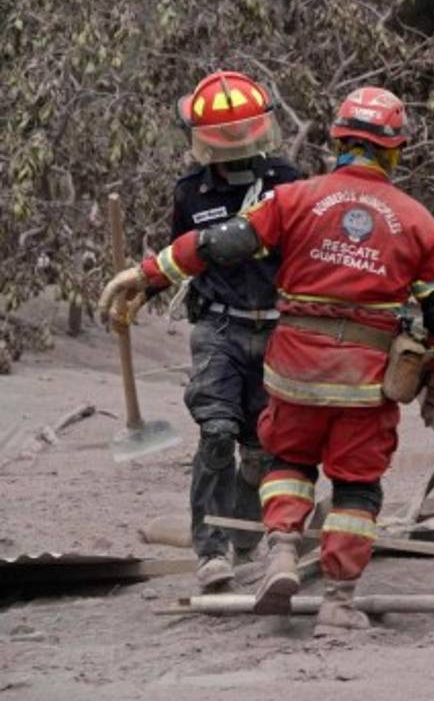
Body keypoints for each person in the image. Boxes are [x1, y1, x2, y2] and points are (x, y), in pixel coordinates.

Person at [100, 86, 434, 633]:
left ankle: (284, 554)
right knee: (356, 489)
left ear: (339, 140)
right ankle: (339, 601)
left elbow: (221, 243)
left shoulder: (296, 197)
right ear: (394, 151)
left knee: (287, 465)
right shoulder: (417, 221)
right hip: (364, 384)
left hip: (291, 372)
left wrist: (147, 274)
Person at [133, 71, 302, 591]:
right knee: (216, 433)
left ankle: (250, 534)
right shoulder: (190, 193)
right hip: (219, 327)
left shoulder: (287, 182)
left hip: (276, 329)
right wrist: (141, 288)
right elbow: (180, 257)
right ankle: (211, 550)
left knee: (263, 445)